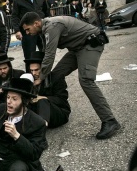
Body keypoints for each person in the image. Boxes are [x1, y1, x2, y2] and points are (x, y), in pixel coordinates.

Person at [20, 12, 121, 140]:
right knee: (55, 75)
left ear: (36, 23)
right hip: (77, 48)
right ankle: (56, 105)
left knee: (86, 81)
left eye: (28, 29)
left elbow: (50, 56)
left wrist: (40, 77)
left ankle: (110, 121)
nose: (27, 33)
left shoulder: (52, 26)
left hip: (91, 43)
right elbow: (45, 55)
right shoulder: (44, 30)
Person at [11, 0, 49, 72]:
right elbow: (14, 16)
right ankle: (30, 79)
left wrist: (49, 24)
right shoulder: (18, 0)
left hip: (41, 29)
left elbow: (46, 11)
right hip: (27, 32)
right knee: (29, 56)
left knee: (46, 54)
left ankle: (46, 76)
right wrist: (17, 30)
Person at [25, 52, 71, 128]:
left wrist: (42, 98)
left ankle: (41, 127)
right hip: (38, 112)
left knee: (42, 101)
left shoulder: (56, 78)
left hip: (58, 112)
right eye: (31, 70)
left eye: (36, 70)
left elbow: (62, 100)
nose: (34, 73)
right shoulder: (30, 78)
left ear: (44, 68)